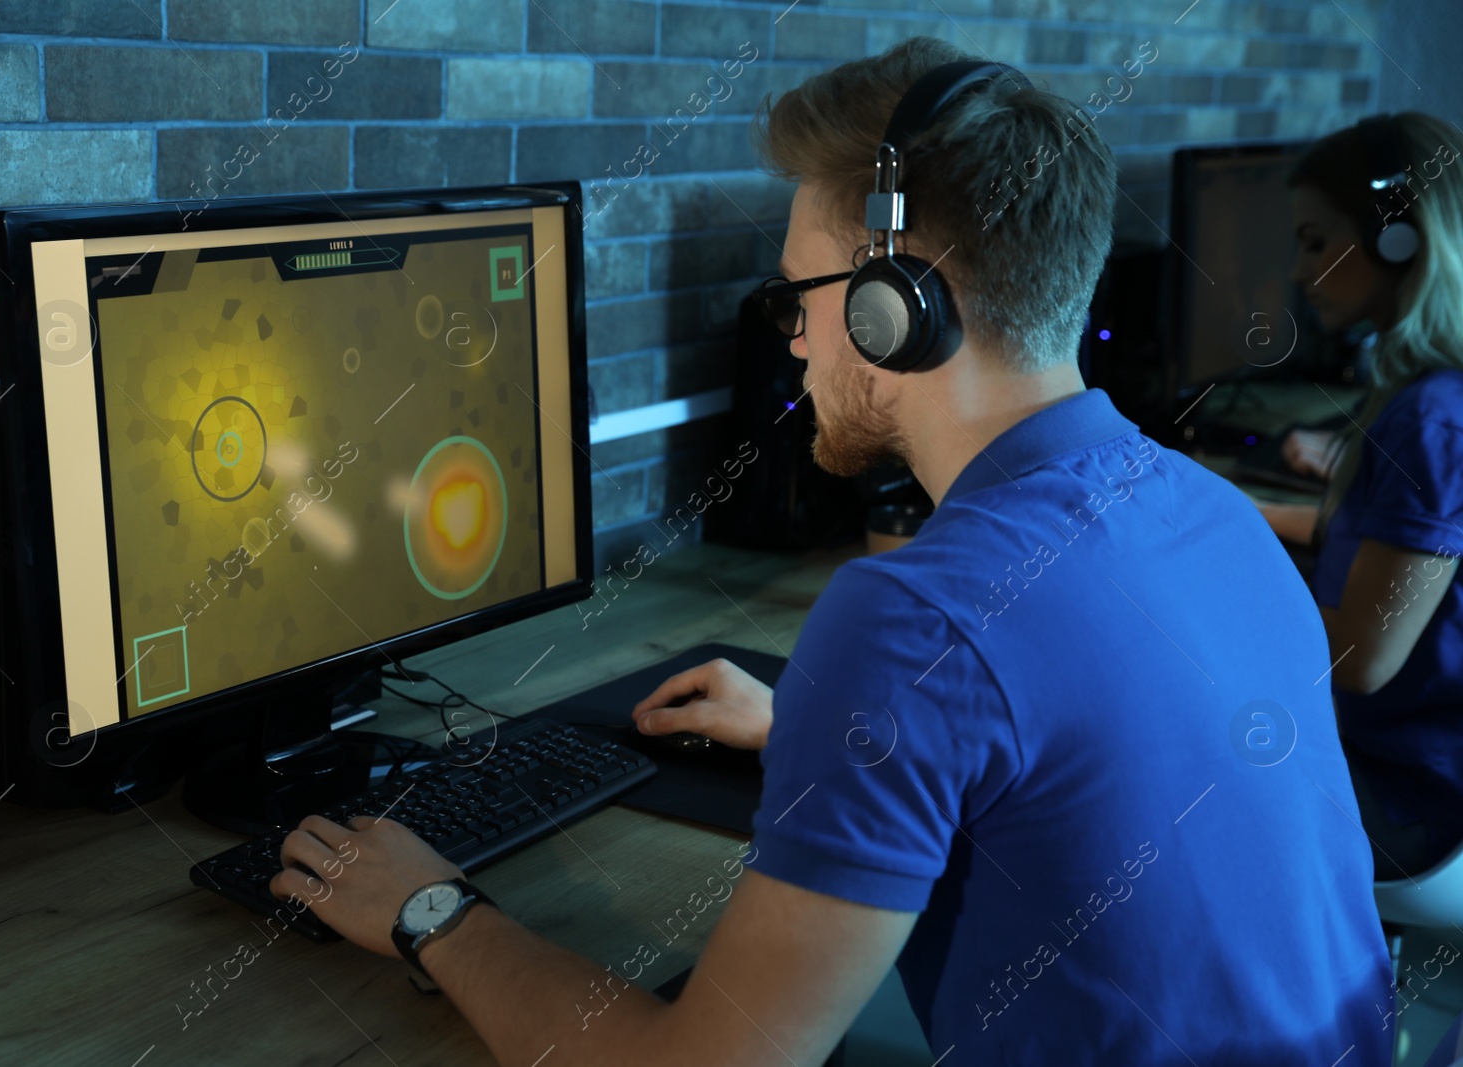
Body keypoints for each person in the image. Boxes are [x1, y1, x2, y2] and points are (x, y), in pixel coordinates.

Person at [269, 39, 1391, 1064]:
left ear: (894, 310)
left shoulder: (916, 617)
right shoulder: (1208, 508)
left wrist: (437, 914)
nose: (792, 337)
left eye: (797, 296)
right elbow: (1080, 744)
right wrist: (820, 723)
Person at [1256, 112, 1463, 880]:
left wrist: (1225, 582)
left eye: (1315, 242)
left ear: (1397, 240)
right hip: (1406, 762)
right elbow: (1378, 549)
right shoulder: (1427, 395)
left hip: (1412, 800)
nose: (1299, 273)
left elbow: (1361, 657)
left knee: (1160, 757)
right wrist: (1235, 511)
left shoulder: (1433, 421)